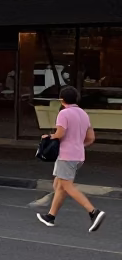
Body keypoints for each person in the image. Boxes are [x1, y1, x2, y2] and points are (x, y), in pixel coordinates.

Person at [37, 87, 105, 232]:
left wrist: (48, 137)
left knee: (67, 186)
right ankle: (50, 216)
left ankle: (93, 212)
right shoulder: (84, 114)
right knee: (59, 185)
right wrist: (79, 144)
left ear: (62, 100)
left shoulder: (64, 113)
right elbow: (91, 138)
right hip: (79, 155)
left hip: (66, 155)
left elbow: (60, 133)